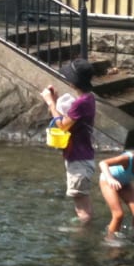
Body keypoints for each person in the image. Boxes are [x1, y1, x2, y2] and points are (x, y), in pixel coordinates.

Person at [40, 59, 98, 223]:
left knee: (82, 209)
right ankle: (85, 228)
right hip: (83, 158)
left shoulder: (80, 103)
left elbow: (62, 125)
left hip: (79, 161)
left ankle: (81, 240)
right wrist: (57, 100)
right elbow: (69, 119)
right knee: (82, 201)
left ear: (74, 81)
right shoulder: (89, 98)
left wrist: (50, 102)